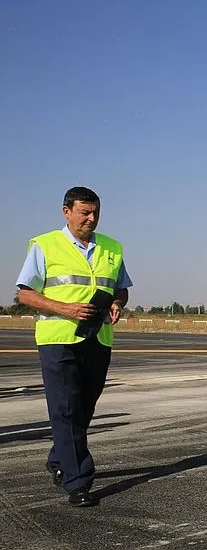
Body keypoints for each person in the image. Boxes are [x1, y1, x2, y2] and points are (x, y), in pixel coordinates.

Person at [15, 186, 133, 507]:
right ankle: (78, 481)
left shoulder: (112, 248)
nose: (91, 219)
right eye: (84, 213)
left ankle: (59, 459)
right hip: (59, 338)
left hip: (98, 338)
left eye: (95, 213)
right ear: (66, 211)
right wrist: (65, 308)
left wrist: (117, 304)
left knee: (84, 407)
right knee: (66, 407)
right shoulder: (45, 245)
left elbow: (120, 289)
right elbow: (25, 294)